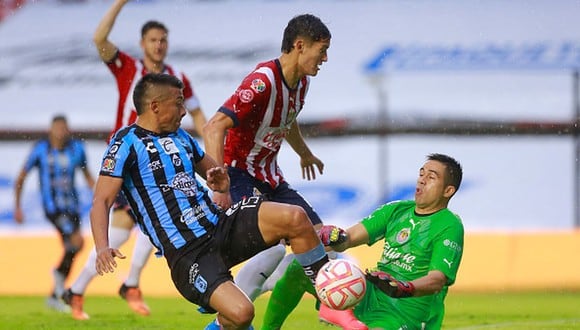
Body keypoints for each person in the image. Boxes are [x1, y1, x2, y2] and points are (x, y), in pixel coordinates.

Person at [91, 72, 329, 330]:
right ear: (155, 106)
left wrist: (221, 182)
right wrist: (102, 247)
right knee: (241, 314)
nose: (184, 111)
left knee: (294, 217)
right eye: (178, 103)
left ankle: (327, 293)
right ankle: (221, 314)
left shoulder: (180, 137)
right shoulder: (125, 142)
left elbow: (214, 174)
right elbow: (101, 201)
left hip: (220, 226)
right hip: (188, 253)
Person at [202, 13, 366, 330]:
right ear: (300, 46)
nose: (325, 59)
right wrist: (219, 186)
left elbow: (286, 122)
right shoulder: (263, 81)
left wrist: (305, 154)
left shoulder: (301, 83)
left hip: (271, 178)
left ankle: (327, 303)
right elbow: (213, 126)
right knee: (276, 244)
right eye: (322, 50)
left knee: (321, 240)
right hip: (239, 175)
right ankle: (223, 321)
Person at [62, 0, 207, 320]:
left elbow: (197, 113)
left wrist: (210, 151)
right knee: (151, 224)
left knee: (136, 229)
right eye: (153, 40)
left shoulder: (177, 77)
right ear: (142, 44)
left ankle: (85, 289)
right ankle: (119, 284)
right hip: (130, 163)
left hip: (161, 163)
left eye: (163, 39)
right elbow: (99, 39)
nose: (159, 45)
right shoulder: (130, 68)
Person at [319, 153, 465, 329]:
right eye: (421, 174)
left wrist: (405, 288)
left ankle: (343, 317)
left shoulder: (450, 225)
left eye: (431, 177)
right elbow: (347, 239)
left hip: (406, 312)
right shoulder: (397, 210)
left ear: (448, 191)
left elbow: (436, 280)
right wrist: (333, 238)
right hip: (371, 295)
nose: (422, 180)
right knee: (301, 267)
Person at [13, 115, 95, 312]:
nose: (60, 131)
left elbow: (87, 175)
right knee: (76, 242)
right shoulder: (41, 149)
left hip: (72, 207)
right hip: (53, 208)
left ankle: (55, 291)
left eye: (63, 128)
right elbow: (21, 177)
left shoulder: (77, 149)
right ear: (51, 129)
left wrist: (102, 197)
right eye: (57, 128)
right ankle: (59, 285)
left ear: (68, 130)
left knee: (76, 246)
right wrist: (18, 207)